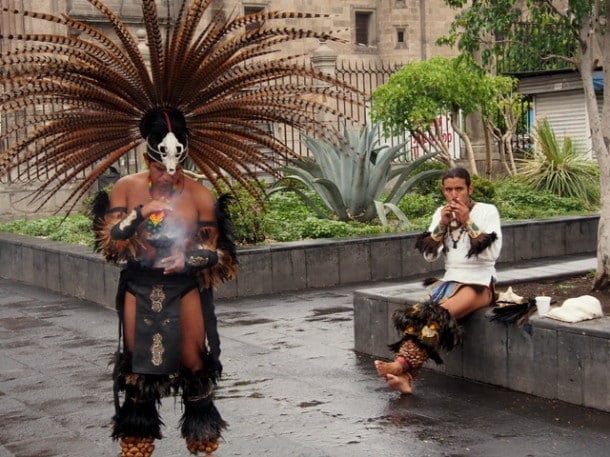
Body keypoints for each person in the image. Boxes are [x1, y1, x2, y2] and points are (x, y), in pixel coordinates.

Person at [93, 108, 238, 456]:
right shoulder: (126, 189)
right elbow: (111, 244)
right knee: (138, 361)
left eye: (174, 170)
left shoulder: (200, 195)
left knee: (192, 359)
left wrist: (188, 258)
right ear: (146, 157)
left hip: (184, 286)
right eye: (159, 168)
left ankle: (201, 434)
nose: (168, 176)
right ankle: (138, 438)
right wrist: (141, 212)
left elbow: (220, 255)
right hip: (138, 285)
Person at [374, 167, 502, 394]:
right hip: (450, 281)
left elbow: (490, 255)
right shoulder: (439, 213)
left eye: (459, 189)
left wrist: (467, 221)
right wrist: (442, 225)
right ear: (443, 191)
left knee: (436, 317)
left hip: (480, 283)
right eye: (449, 189)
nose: (454, 195)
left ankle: (402, 365)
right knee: (417, 317)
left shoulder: (487, 211)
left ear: (470, 189)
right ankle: (407, 377)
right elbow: (429, 255)